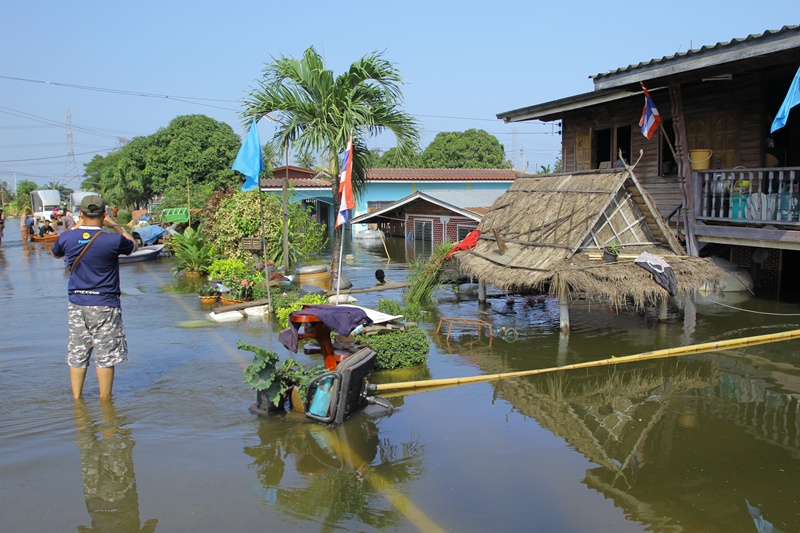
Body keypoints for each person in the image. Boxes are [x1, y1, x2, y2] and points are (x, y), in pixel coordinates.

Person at [51, 195, 137, 399]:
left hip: (77, 303)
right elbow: (133, 246)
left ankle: (77, 400)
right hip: (105, 305)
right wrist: (115, 225)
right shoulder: (113, 240)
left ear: (80, 214)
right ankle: (106, 403)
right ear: (104, 213)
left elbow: (56, 253)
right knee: (105, 357)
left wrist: (78, 226)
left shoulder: (67, 237)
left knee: (78, 353)